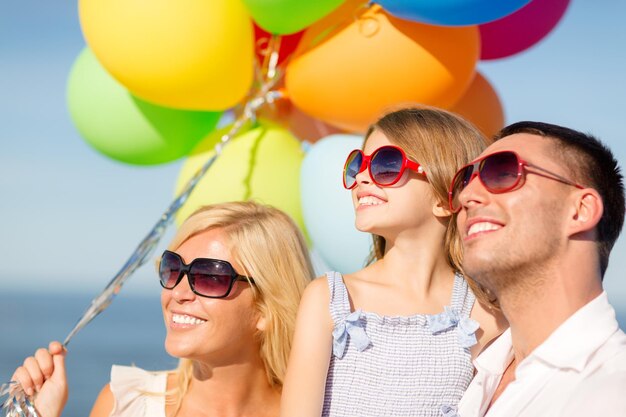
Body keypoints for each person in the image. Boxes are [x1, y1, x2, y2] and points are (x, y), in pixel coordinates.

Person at [281, 107, 507, 417]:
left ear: (446, 198)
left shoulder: (486, 314)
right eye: (358, 164)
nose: (361, 176)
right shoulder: (331, 298)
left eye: (386, 165)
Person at [12, 201, 315, 417]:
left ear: (266, 309)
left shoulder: (320, 410)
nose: (177, 293)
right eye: (173, 269)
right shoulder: (126, 405)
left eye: (209, 276)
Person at [448, 121, 626, 416]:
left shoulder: (614, 390)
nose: (467, 197)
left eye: (503, 172)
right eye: (465, 180)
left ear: (580, 210)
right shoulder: (473, 374)